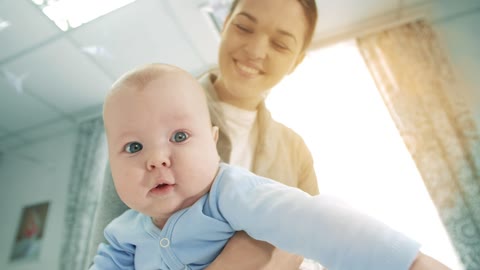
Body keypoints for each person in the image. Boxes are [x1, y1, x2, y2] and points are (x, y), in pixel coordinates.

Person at [86, 0, 449, 269]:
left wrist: (406, 260)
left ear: (298, 59)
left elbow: (312, 230)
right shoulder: (145, 117)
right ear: (224, 24)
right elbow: (117, 236)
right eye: (244, 27)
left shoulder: (295, 153)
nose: (255, 50)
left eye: (280, 44)